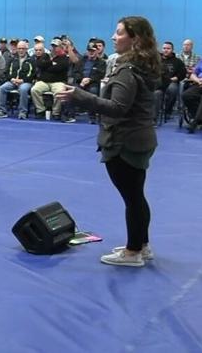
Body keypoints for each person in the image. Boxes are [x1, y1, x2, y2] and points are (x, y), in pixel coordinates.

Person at [56, 16, 159, 267]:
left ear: (134, 38)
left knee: (132, 199)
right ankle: (141, 245)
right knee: (137, 196)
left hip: (125, 142)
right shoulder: (144, 65)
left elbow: (117, 107)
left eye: (119, 32)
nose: (113, 37)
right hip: (141, 138)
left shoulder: (127, 70)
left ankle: (133, 251)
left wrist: (79, 96)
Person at [30, 38, 70, 120]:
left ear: (61, 47)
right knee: (34, 89)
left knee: (59, 91)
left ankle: (56, 112)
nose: (54, 48)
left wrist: (47, 65)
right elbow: (40, 64)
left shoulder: (64, 58)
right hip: (44, 81)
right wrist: (51, 63)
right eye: (53, 46)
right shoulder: (46, 55)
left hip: (58, 82)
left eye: (56, 46)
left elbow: (59, 68)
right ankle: (40, 110)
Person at [0, 40, 35, 120]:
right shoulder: (13, 59)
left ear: (26, 49)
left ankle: (22, 112)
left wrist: (22, 80)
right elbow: (7, 72)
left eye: (23, 48)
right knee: (2, 88)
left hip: (25, 82)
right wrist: (12, 79)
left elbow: (33, 74)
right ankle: (2, 110)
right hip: (12, 81)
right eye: (19, 48)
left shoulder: (31, 60)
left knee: (23, 89)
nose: (21, 50)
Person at [156, 41, 186, 120]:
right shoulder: (156, 59)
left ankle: (168, 111)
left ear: (172, 50)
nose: (166, 50)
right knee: (155, 92)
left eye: (168, 48)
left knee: (172, 89)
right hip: (157, 82)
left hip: (171, 81)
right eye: (164, 48)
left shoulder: (178, 61)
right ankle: (154, 114)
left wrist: (175, 78)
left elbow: (182, 74)